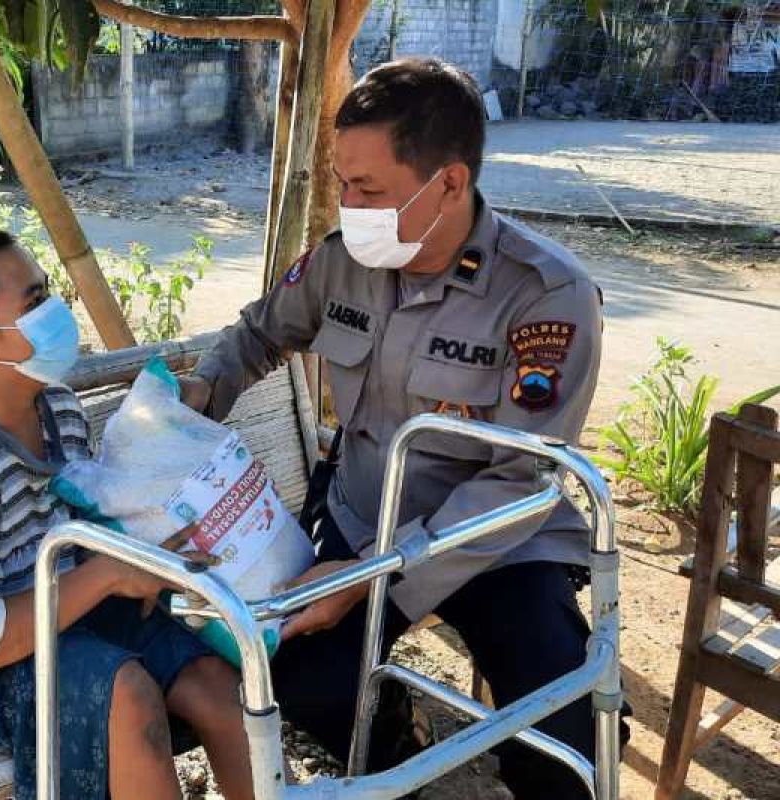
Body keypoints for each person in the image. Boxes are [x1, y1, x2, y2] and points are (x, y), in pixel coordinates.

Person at [180, 57, 626, 797]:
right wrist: (193, 402)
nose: (347, 204)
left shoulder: (547, 296)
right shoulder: (345, 261)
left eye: (368, 189)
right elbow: (260, 333)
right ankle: (393, 745)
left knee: (564, 733)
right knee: (310, 682)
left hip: (497, 542)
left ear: (449, 183)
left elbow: (519, 481)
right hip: (362, 511)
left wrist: (370, 578)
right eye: (342, 182)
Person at [0, 229, 253, 800]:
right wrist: (113, 574)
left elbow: (83, 523)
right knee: (129, 699)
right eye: (34, 302)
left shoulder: (55, 406)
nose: (55, 311)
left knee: (218, 684)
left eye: (48, 293)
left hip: (64, 596)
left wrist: (144, 554)